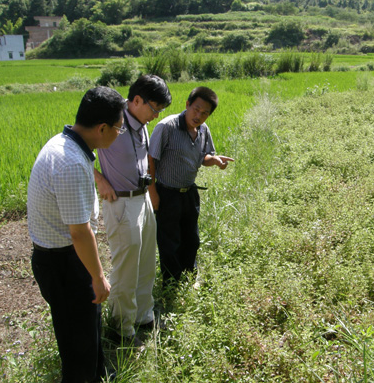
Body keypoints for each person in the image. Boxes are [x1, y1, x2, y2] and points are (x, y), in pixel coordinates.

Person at [27, 86, 126, 382]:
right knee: (77, 347)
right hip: (65, 265)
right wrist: (97, 278)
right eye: (118, 129)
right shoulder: (70, 162)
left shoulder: (64, 143)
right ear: (102, 128)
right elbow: (80, 233)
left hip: (61, 259)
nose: (118, 135)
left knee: (85, 330)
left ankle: (99, 375)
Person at [94, 74, 172, 346]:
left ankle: (142, 314)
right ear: (136, 100)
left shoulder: (141, 123)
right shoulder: (112, 119)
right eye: (154, 108)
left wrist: (151, 193)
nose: (156, 115)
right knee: (126, 268)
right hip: (121, 202)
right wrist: (99, 179)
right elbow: (75, 147)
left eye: (160, 111)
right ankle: (121, 328)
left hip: (142, 199)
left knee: (147, 262)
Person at [148, 86, 234, 288]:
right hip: (167, 192)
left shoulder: (203, 130)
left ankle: (189, 278)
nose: (199, 115)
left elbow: (203, 157)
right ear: (187, 105)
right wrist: (152, 193)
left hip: (189, 192)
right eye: (196, 109)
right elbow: (151, 160)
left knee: (191, 239)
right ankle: (171, 284)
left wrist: (215, 160)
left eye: (205, 113)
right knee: (170, 242)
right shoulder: (166, 127)